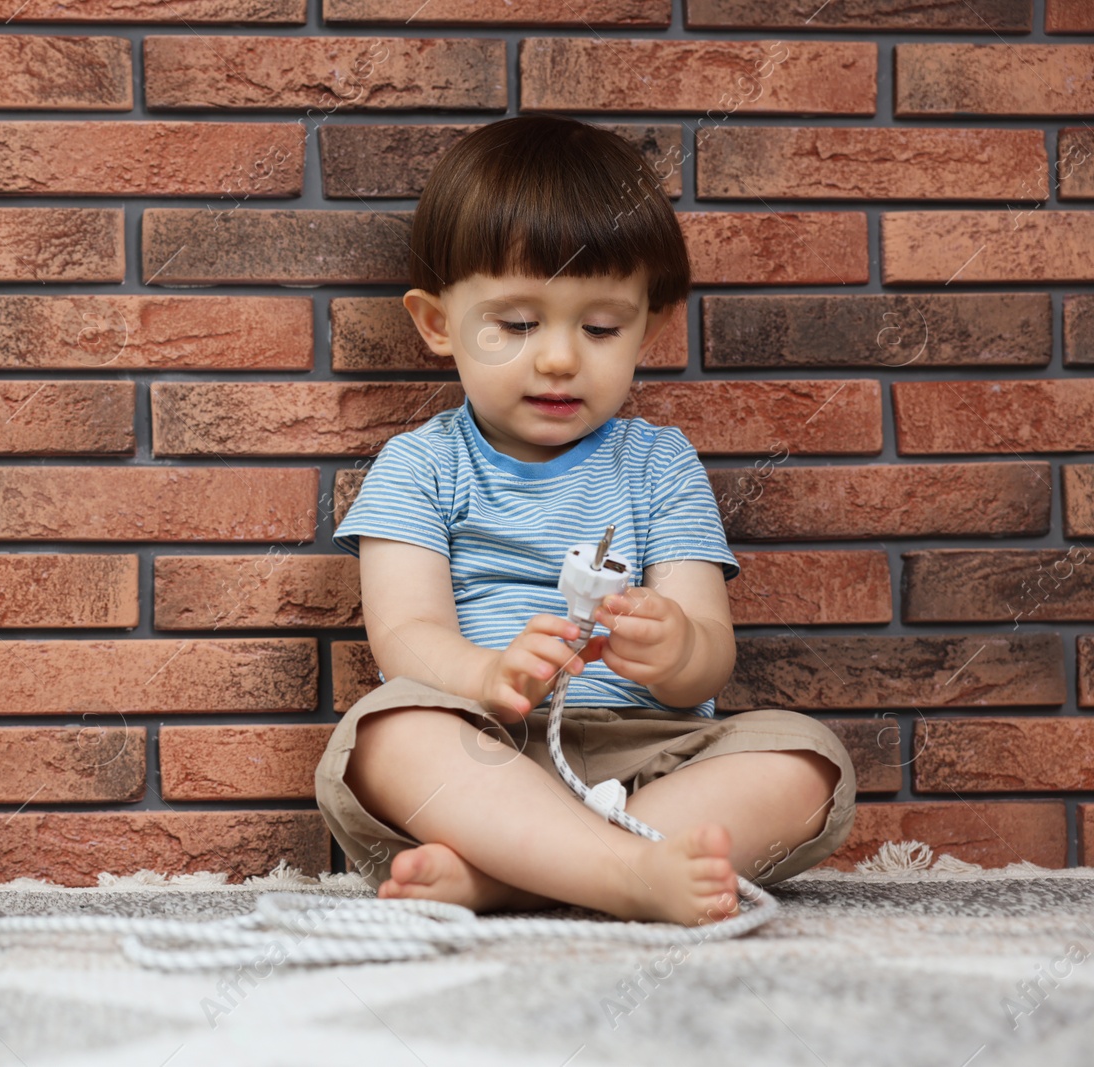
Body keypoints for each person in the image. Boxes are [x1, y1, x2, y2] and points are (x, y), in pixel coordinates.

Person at [315, 115, 857, 925]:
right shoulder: (421, 463)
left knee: (808, 762)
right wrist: (490, 677)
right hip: (485, 752)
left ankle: (515, 877)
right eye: (516, 324)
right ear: (437, 324)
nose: (561, 357)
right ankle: (621, 871)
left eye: (600, 327)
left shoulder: (660, 465)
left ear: (650, 328)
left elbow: (709, 659)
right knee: (385, 734)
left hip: (652, 755)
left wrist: (674, 648)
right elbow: (406, 635)